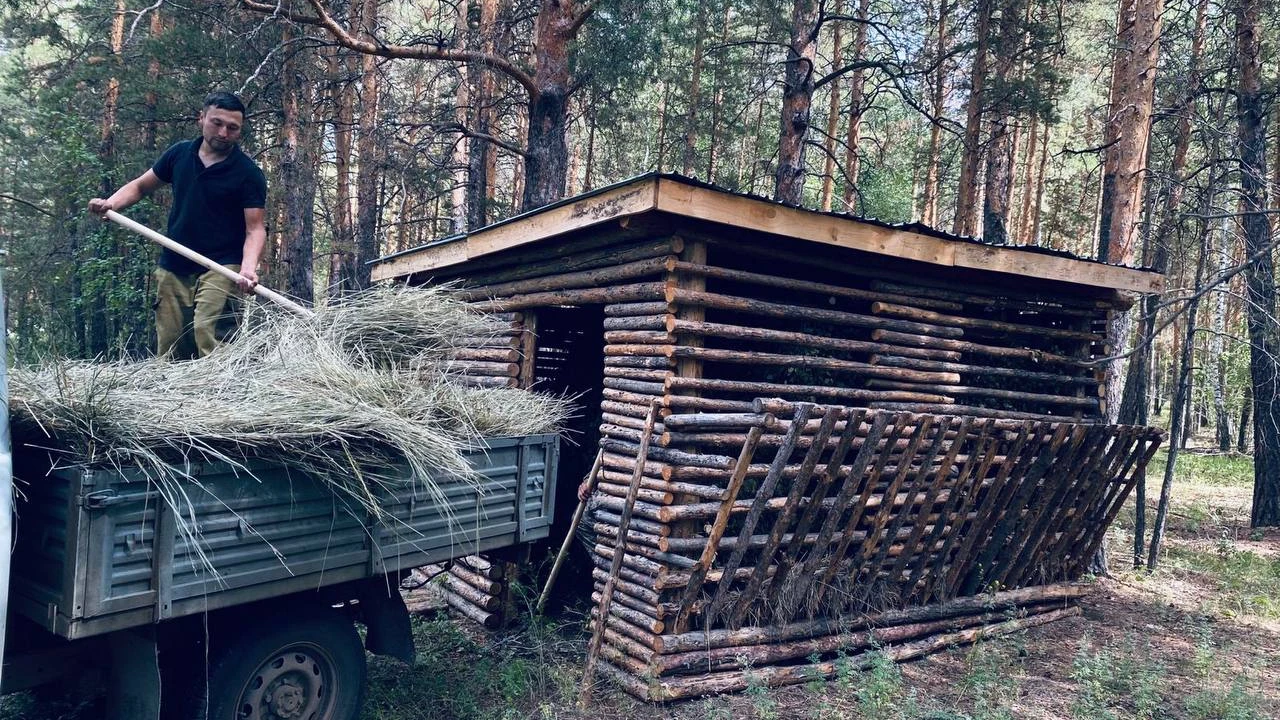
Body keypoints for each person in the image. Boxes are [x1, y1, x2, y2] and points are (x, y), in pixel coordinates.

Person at [89, 91, 267, 359]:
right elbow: (140, 186)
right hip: (175, 262)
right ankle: (175, 400)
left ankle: (220, 397)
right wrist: (111, 204)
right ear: (201, 118)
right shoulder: (179, 154)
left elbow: (255, 229)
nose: (223, 132)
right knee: (172, 346)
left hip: (222, 265)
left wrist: (248, 269)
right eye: (216, 123)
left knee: (210, 333)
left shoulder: (248, 173)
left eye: (232, 128)